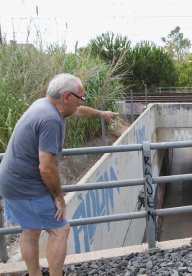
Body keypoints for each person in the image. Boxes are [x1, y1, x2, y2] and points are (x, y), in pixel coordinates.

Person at [0, 73, 116, 276]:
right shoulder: (50, 119)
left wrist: (101, 114)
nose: (81, 102)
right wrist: (58, 197)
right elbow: (46, 167)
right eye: (80, 97)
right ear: (67, 97)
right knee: (60, 229)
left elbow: (80, 111)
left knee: (30, 229)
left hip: (10, 180)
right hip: (25, 184)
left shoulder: (44, 105)